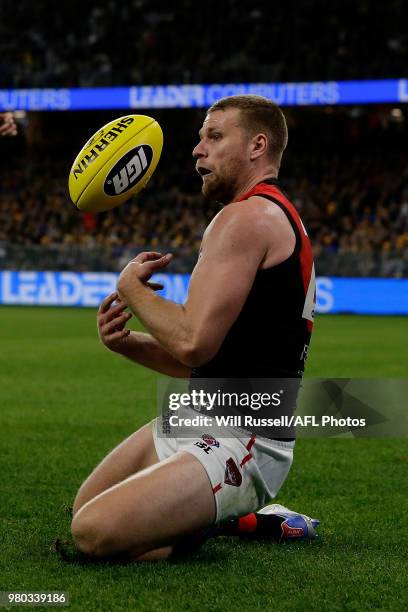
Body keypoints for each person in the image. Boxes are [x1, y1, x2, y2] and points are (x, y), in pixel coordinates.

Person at [71, 95, 318, 561]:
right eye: (201, 137)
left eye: (215, 136)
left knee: (94, 534)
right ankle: (240, 519)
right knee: (85, 509)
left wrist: (131, 289)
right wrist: (129, 344)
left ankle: (221, 518)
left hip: (242, 438)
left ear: (257, 145)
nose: (197, 150)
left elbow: (191, 342)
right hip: (202, 413)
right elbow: (206, 361)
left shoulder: (247, 218)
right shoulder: (261, 214)